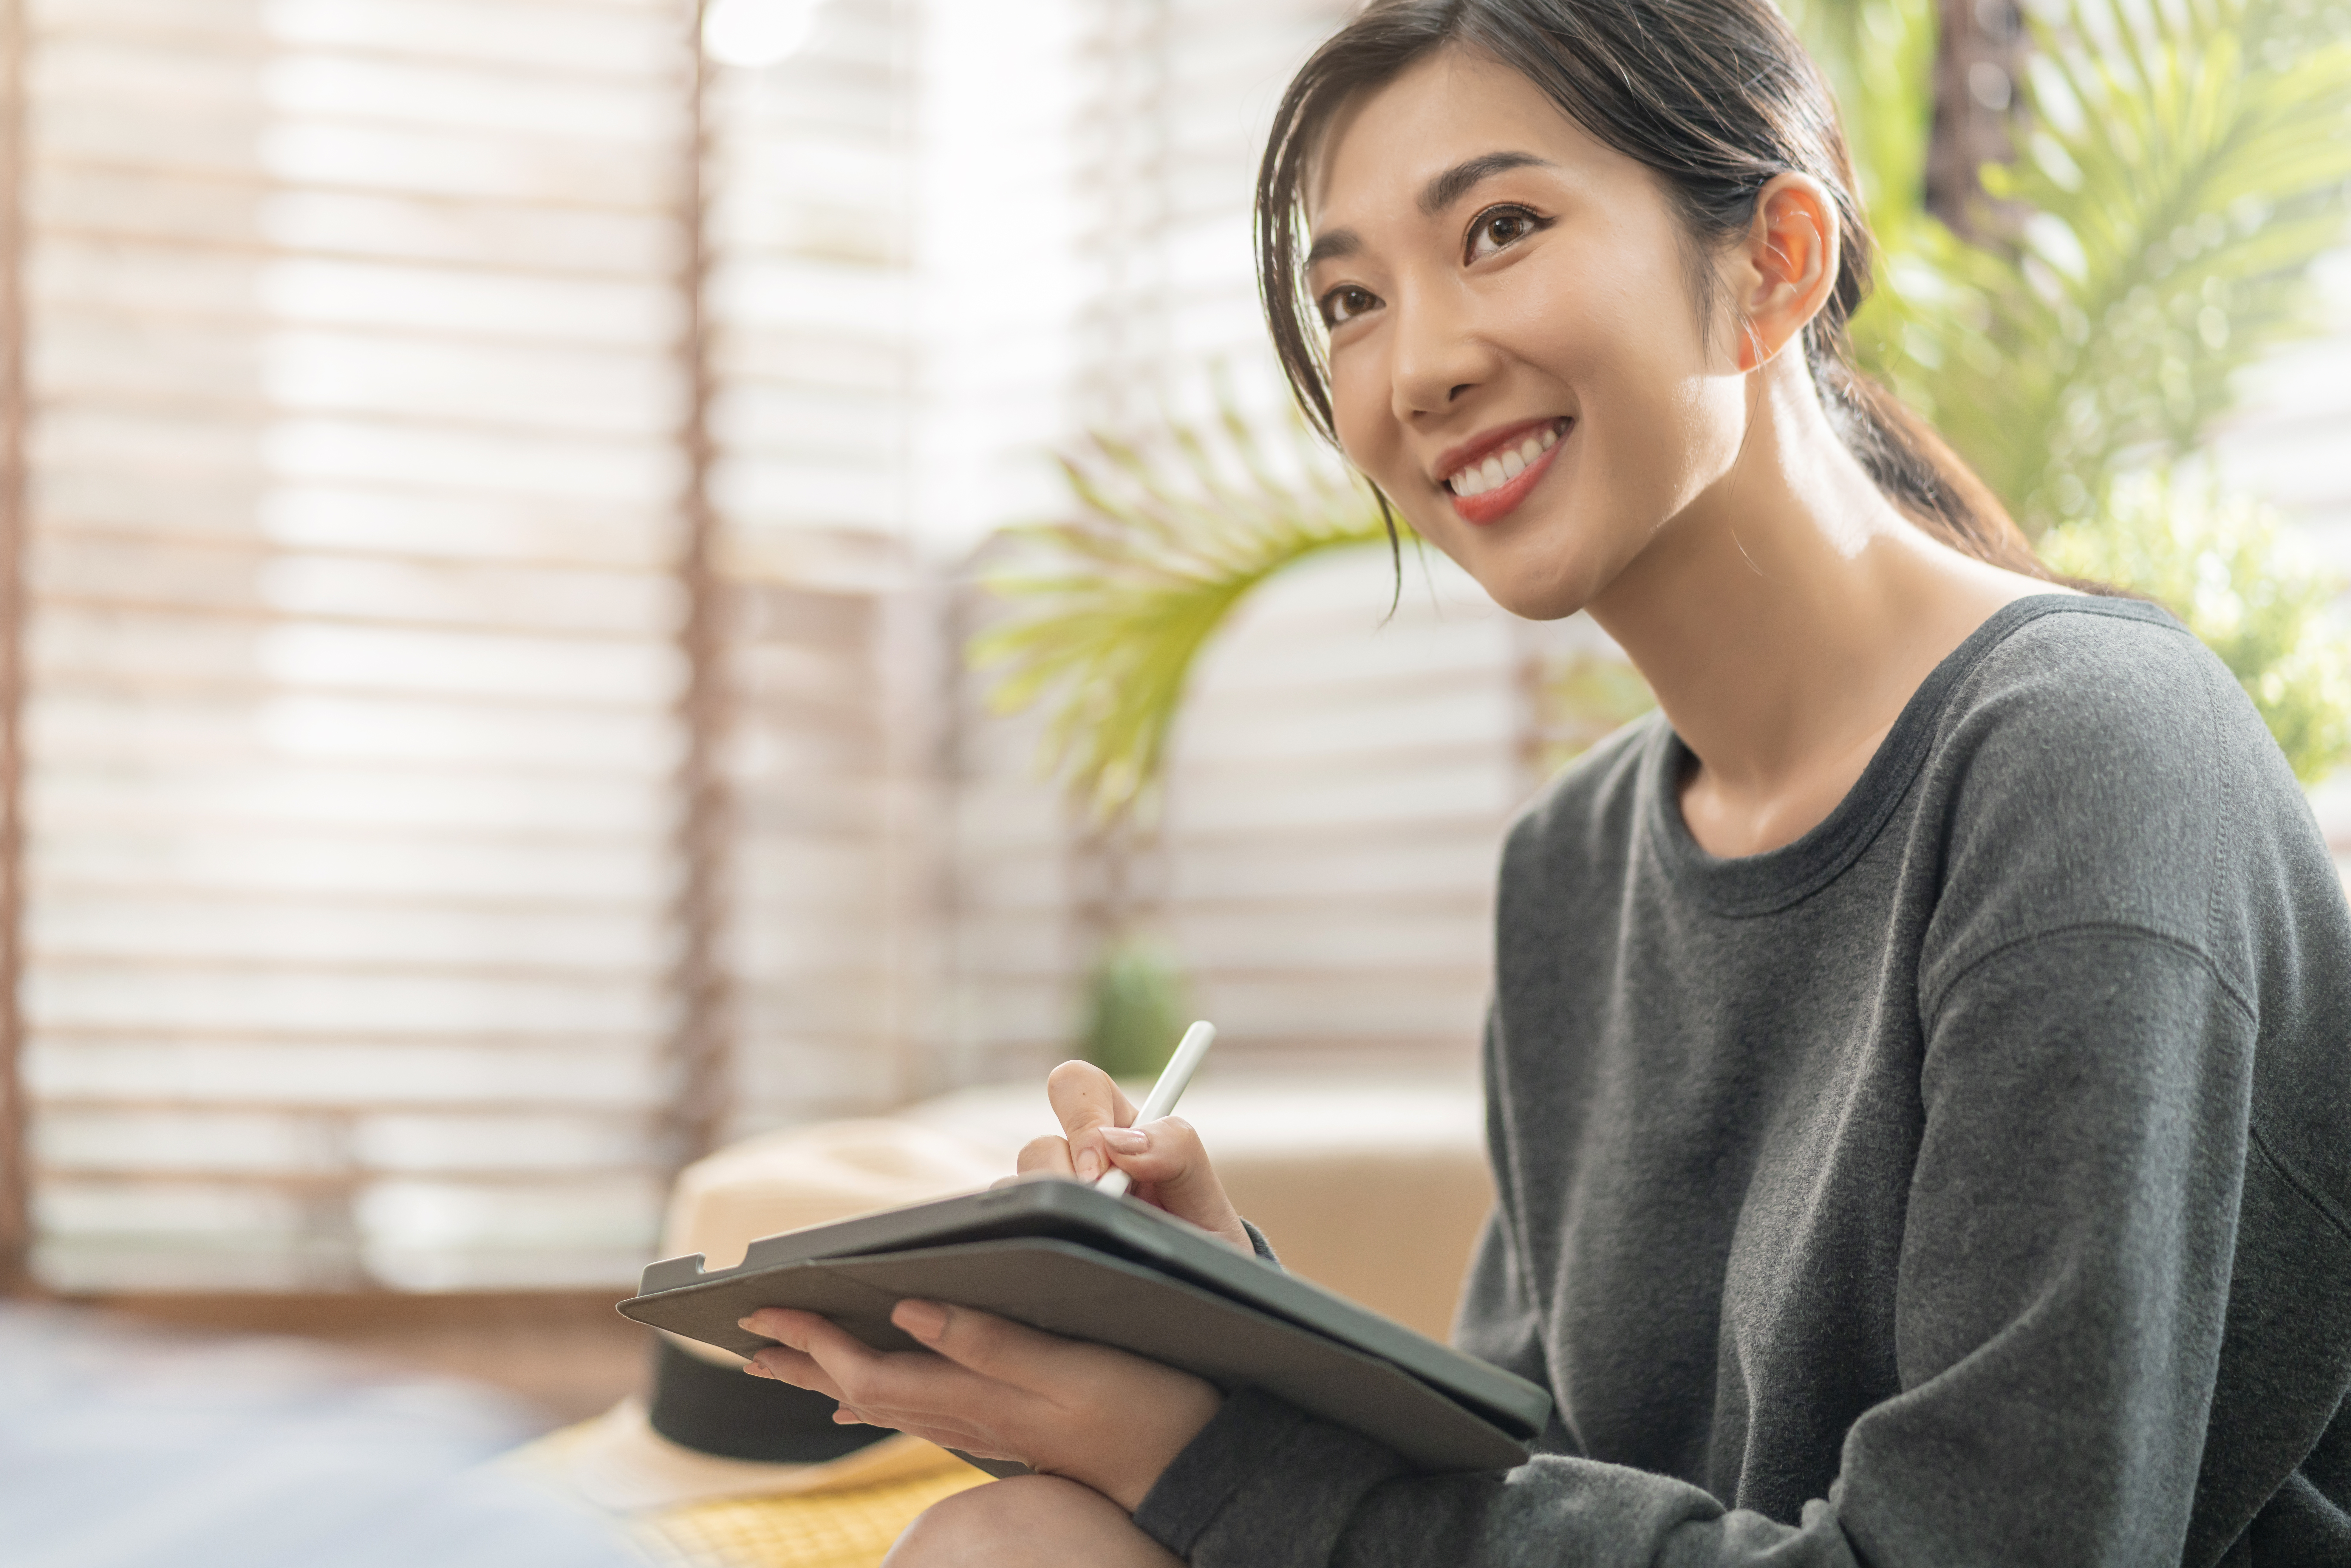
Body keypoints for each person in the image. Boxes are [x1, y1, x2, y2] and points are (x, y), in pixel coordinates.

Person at [731, 1, 2351, 1563]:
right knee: (1009, 1543)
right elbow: (1551, 1474)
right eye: (1351, 300)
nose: (1416, 368)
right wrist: (1224, 1315)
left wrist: (1207, 1456)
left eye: (1500, 228)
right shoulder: (1573, 863)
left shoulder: (2089, 758)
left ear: (1774, 261)